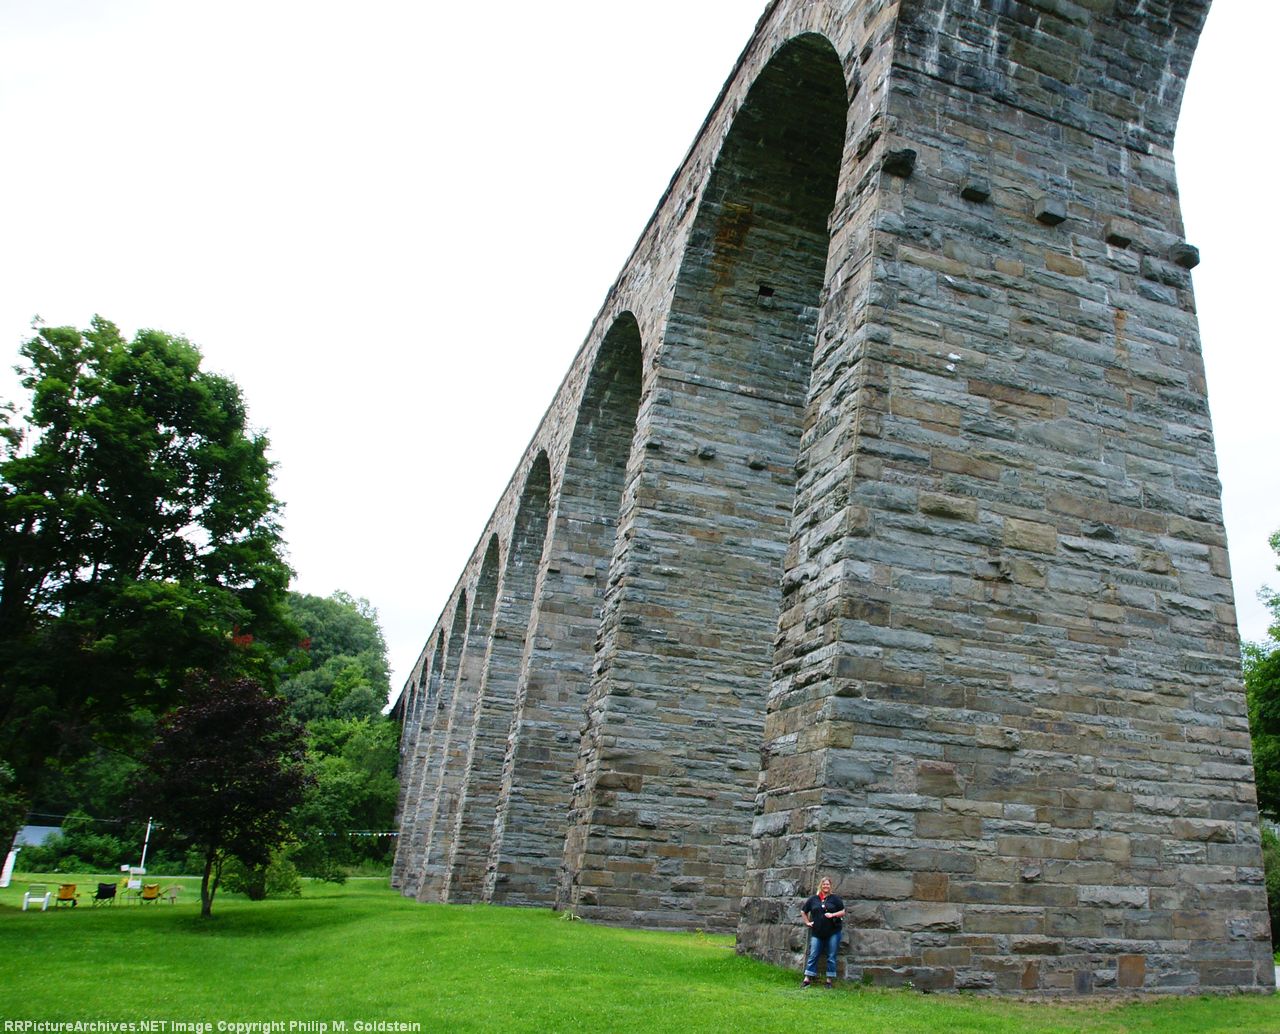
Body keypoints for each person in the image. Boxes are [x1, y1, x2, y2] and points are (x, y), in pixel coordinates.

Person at [801, 875, 845, 988]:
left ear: (830, 886)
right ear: (821, 885)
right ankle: (807, 978)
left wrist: (832, 915)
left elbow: (843, 911)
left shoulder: (835, 899)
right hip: (817, 931)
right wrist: (807, 922)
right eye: (824, 884)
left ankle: (829, 980)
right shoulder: (814, 899)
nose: (826, 886)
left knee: (831, 956)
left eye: (828, 884)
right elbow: (803, 911)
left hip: (833, 931)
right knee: (813, 954)